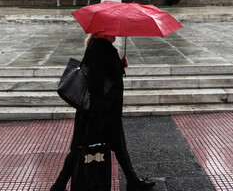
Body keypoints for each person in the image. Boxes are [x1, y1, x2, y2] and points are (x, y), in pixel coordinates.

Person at [51, 33, 155, 191]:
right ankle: (58, 186)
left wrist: (120, 66)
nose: (116, 34)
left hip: (105, 112)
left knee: (118, 146)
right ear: (103, 31)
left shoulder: (102, 47)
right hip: (98, 113)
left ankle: (132, 179)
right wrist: (95, 115)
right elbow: (96, 83)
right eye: (113, 30)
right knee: (79, 149)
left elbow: (105, 74)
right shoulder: (100, 47)